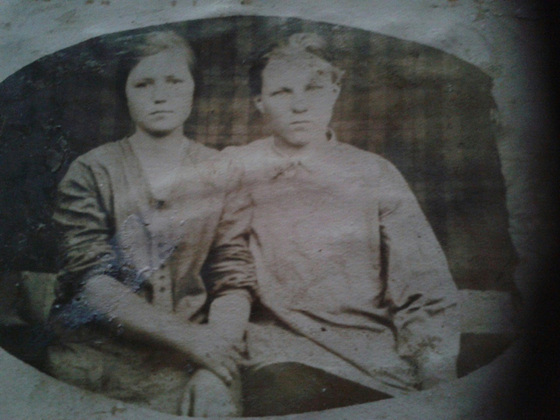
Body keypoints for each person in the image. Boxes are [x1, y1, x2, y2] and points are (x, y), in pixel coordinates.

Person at [226, 33, 460, 416]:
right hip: (279, 360)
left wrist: (438, 382)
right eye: (282, 92)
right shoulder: (234, 168)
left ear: (334, 92)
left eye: (314, 88)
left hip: (374, 364)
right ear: (259, 102)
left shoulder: (374, 172)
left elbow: (425, 289)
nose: (300, 105)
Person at [46, 31, 254, 417]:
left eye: (174, 80)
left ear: (193, 88)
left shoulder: (224, 172)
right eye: (143, 83)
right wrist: (193, 340)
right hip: (99, 359)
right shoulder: (91, 171)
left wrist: (214, 366)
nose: (160, 96)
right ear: (125, 93)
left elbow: (233, 279)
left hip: (192, 363)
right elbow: (90, 282)